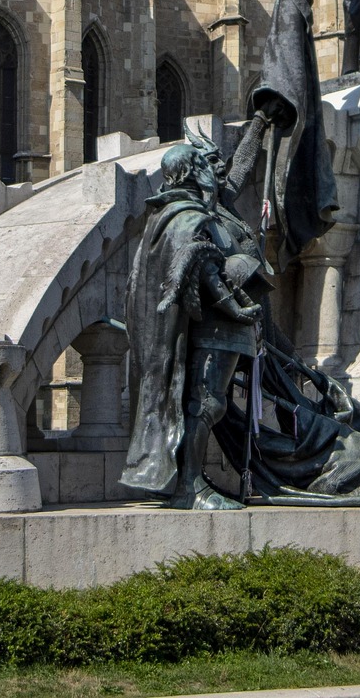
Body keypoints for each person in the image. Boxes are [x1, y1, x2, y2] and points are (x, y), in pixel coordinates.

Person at [121, 120, 274, 510]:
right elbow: (200, 267)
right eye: (207, 164)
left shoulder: (201, 208)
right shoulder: (185, 215)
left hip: (229, 325)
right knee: (205, 404)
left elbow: (234, 175)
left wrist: (260, 124)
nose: (215, 169)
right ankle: (190, 487)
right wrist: (233, 293)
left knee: (209, 404)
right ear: (191, 171)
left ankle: (191, 481)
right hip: (214, 326)